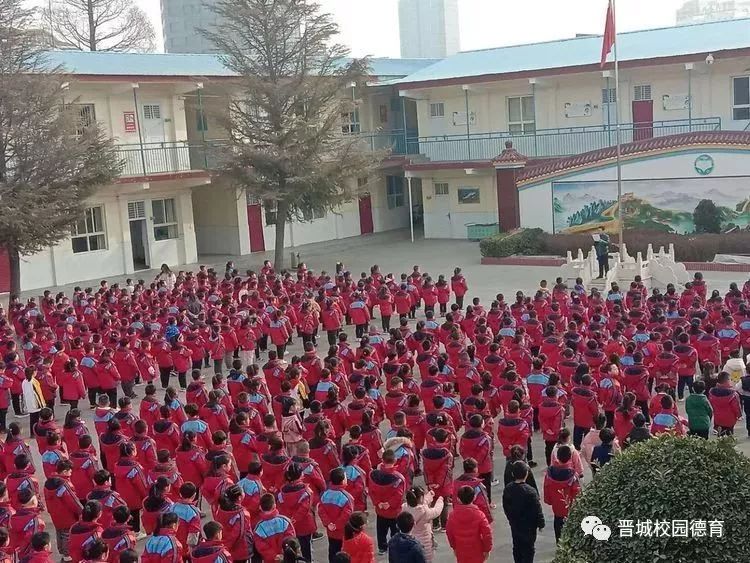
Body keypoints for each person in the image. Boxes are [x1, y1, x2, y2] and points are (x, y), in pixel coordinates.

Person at [502, 461, 544, 563]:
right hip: (529, 526)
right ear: (526, 474)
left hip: (515, 524)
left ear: (513, 474)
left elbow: (505, 506)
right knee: (529, 549)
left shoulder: (508, 489)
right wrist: (541, 523)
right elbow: (537, 509)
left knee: (517, 547)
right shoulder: (531, 491)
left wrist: (510, 518)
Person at [543, 446, 581, 542]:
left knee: (558, 525)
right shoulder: (572, 475)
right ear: (569, 457)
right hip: (570, 507)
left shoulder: (549, 473)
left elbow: (546, 487)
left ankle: (559, 543)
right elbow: (577, 492)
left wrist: (548, 500)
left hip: (556, 506)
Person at [446, 486, 493, 563]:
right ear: (474, 497)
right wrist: (487, 549)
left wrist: (454, 546)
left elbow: (449, 533)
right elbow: (487, 534)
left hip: (461, 549)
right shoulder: (479, 514)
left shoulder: (452, 516)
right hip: (477, 549)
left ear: (458, 499)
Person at [318, 468, 354, 563]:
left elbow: (321, 510)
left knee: (333, 550)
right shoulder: (346, 497)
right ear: (343, 481)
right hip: (343, 532)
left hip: (330, 531)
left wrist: (328, 523)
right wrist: (337, 525)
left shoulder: (325, 495)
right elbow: (347, 514)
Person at [401, 487, 443, 563]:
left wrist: (430, 495)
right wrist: (440, 500)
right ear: (421, 498)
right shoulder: (424, 512)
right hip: (424, 542)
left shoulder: (404, 508)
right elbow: (437, 511)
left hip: (411, 540)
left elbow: (421, 503)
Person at [253, 493, 296, 563]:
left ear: (260, 507)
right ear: (274, 506)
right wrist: (284, 553)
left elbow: (261, 547)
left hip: (270, 560)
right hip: (286, 558)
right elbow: (290, 538)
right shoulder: (285, 521)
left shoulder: (259, 528)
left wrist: (274, 556)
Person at [21, 367, 45, 436]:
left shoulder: (24, 382)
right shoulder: (34, 382)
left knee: (32, 419)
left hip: (29, 403)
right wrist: (42, 404)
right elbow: (38, 394)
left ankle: (32, 433)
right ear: (33, 372)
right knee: (37, 420)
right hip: (36, 403)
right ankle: (36, 433)